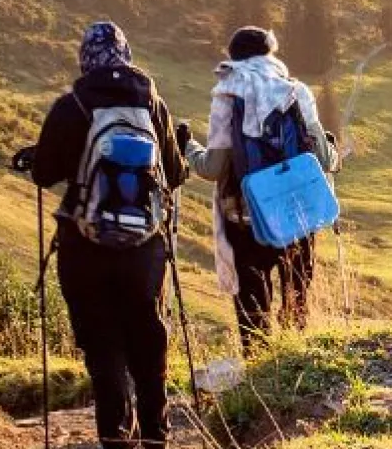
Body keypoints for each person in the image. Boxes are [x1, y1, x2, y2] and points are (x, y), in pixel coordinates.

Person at [29, 22, 187, 448]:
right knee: (148, 336)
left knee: (102, 342)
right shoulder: (153, 103)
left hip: (84, 246)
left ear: (85, 58)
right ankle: (157, 434)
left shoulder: (72, 104)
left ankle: (116, 435)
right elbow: (173, 174)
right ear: (126, 54)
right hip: (145, 247)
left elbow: (44, 173)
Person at [178, 26, 338, 353]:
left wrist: (188, 147)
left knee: (253, 312)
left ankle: (258, 377)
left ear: (234, 59)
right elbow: (323, 159)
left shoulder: (227, 94)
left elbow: (213, 168)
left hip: (246, 218)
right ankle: (296, 373)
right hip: (298, 217)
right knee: (297, 307)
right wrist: (332, 150)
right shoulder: (297, 92)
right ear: (270, 54)